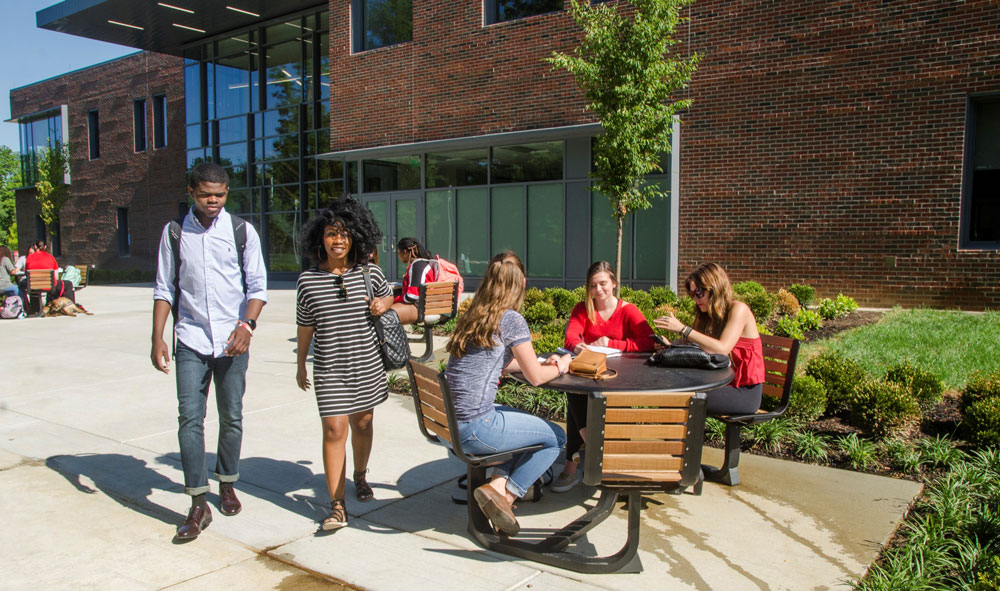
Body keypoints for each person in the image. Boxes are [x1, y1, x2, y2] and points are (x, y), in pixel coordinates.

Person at [150, 162, 267, 540]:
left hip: (234, 343)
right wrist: (157, 337)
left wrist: (247, 325)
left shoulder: (241, 232)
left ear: (227, 193)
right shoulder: (174, 234)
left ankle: (227, 482)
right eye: (205, 195)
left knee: (231, 416)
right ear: (191, 193)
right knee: (190, 419)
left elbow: (258, 287)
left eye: (219, 194)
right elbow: (165, 289)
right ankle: (198, 501)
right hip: (191, 339)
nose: (212, 201)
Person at [444, 251, 571, 536]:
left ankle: (496, 487)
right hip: (476, 428)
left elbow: (496, 360)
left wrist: (536, 362)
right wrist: (561, 365)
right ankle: (507, 496)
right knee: (555, 438)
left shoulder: (476, 314)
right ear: (521, 283)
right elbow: (536, 379)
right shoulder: (511, 319)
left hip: (450, 425)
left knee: (526, 425)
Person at [295, 198, 394, 531]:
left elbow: (389, 296)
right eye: (331, 233)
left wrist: (383, 302)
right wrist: (300, 364)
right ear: (319, 238)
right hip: (329, 369)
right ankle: (337, 506)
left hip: (366, 364)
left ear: (356, 237)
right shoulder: (307, 282)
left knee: (363, 424)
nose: (337, 240)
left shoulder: (370, 273)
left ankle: (360, 476)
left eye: (344, 234)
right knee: (334, 430)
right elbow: (305, 326)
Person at [554, 261, 656, 492]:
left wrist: (614, 343)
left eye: (603, 284)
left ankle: (574, 463)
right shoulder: (583, 308)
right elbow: (570, 337)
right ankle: (593, 446)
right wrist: (580, 347)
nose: (598, 290)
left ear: (614, 283)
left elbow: (649, 341)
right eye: (593, 285)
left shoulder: (628, 310)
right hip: (590, 372)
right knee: (575, 389)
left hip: (619, 378)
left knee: (574, 396)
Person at [654, 262, 764, 415]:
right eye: (692, 294)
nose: (696, 299)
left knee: (680, 396)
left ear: (715, 289)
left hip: (743, 392)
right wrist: (670, 346)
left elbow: (722, 349)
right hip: (718, 383)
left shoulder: (739, 310)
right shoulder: (705, 315)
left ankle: (682, 439)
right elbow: (690, 343)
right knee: (668, 385)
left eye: (699, 292)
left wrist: (683, 329)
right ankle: (668, 438)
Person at [390, 237, 438, 324]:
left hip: (419, 307)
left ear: (405, 252)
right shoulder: (424, 263)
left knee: (384, 316)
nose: (398, 256)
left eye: (398, 252)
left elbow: (412, 296)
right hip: (427, 305)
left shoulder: (417, 266)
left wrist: (394, 300)